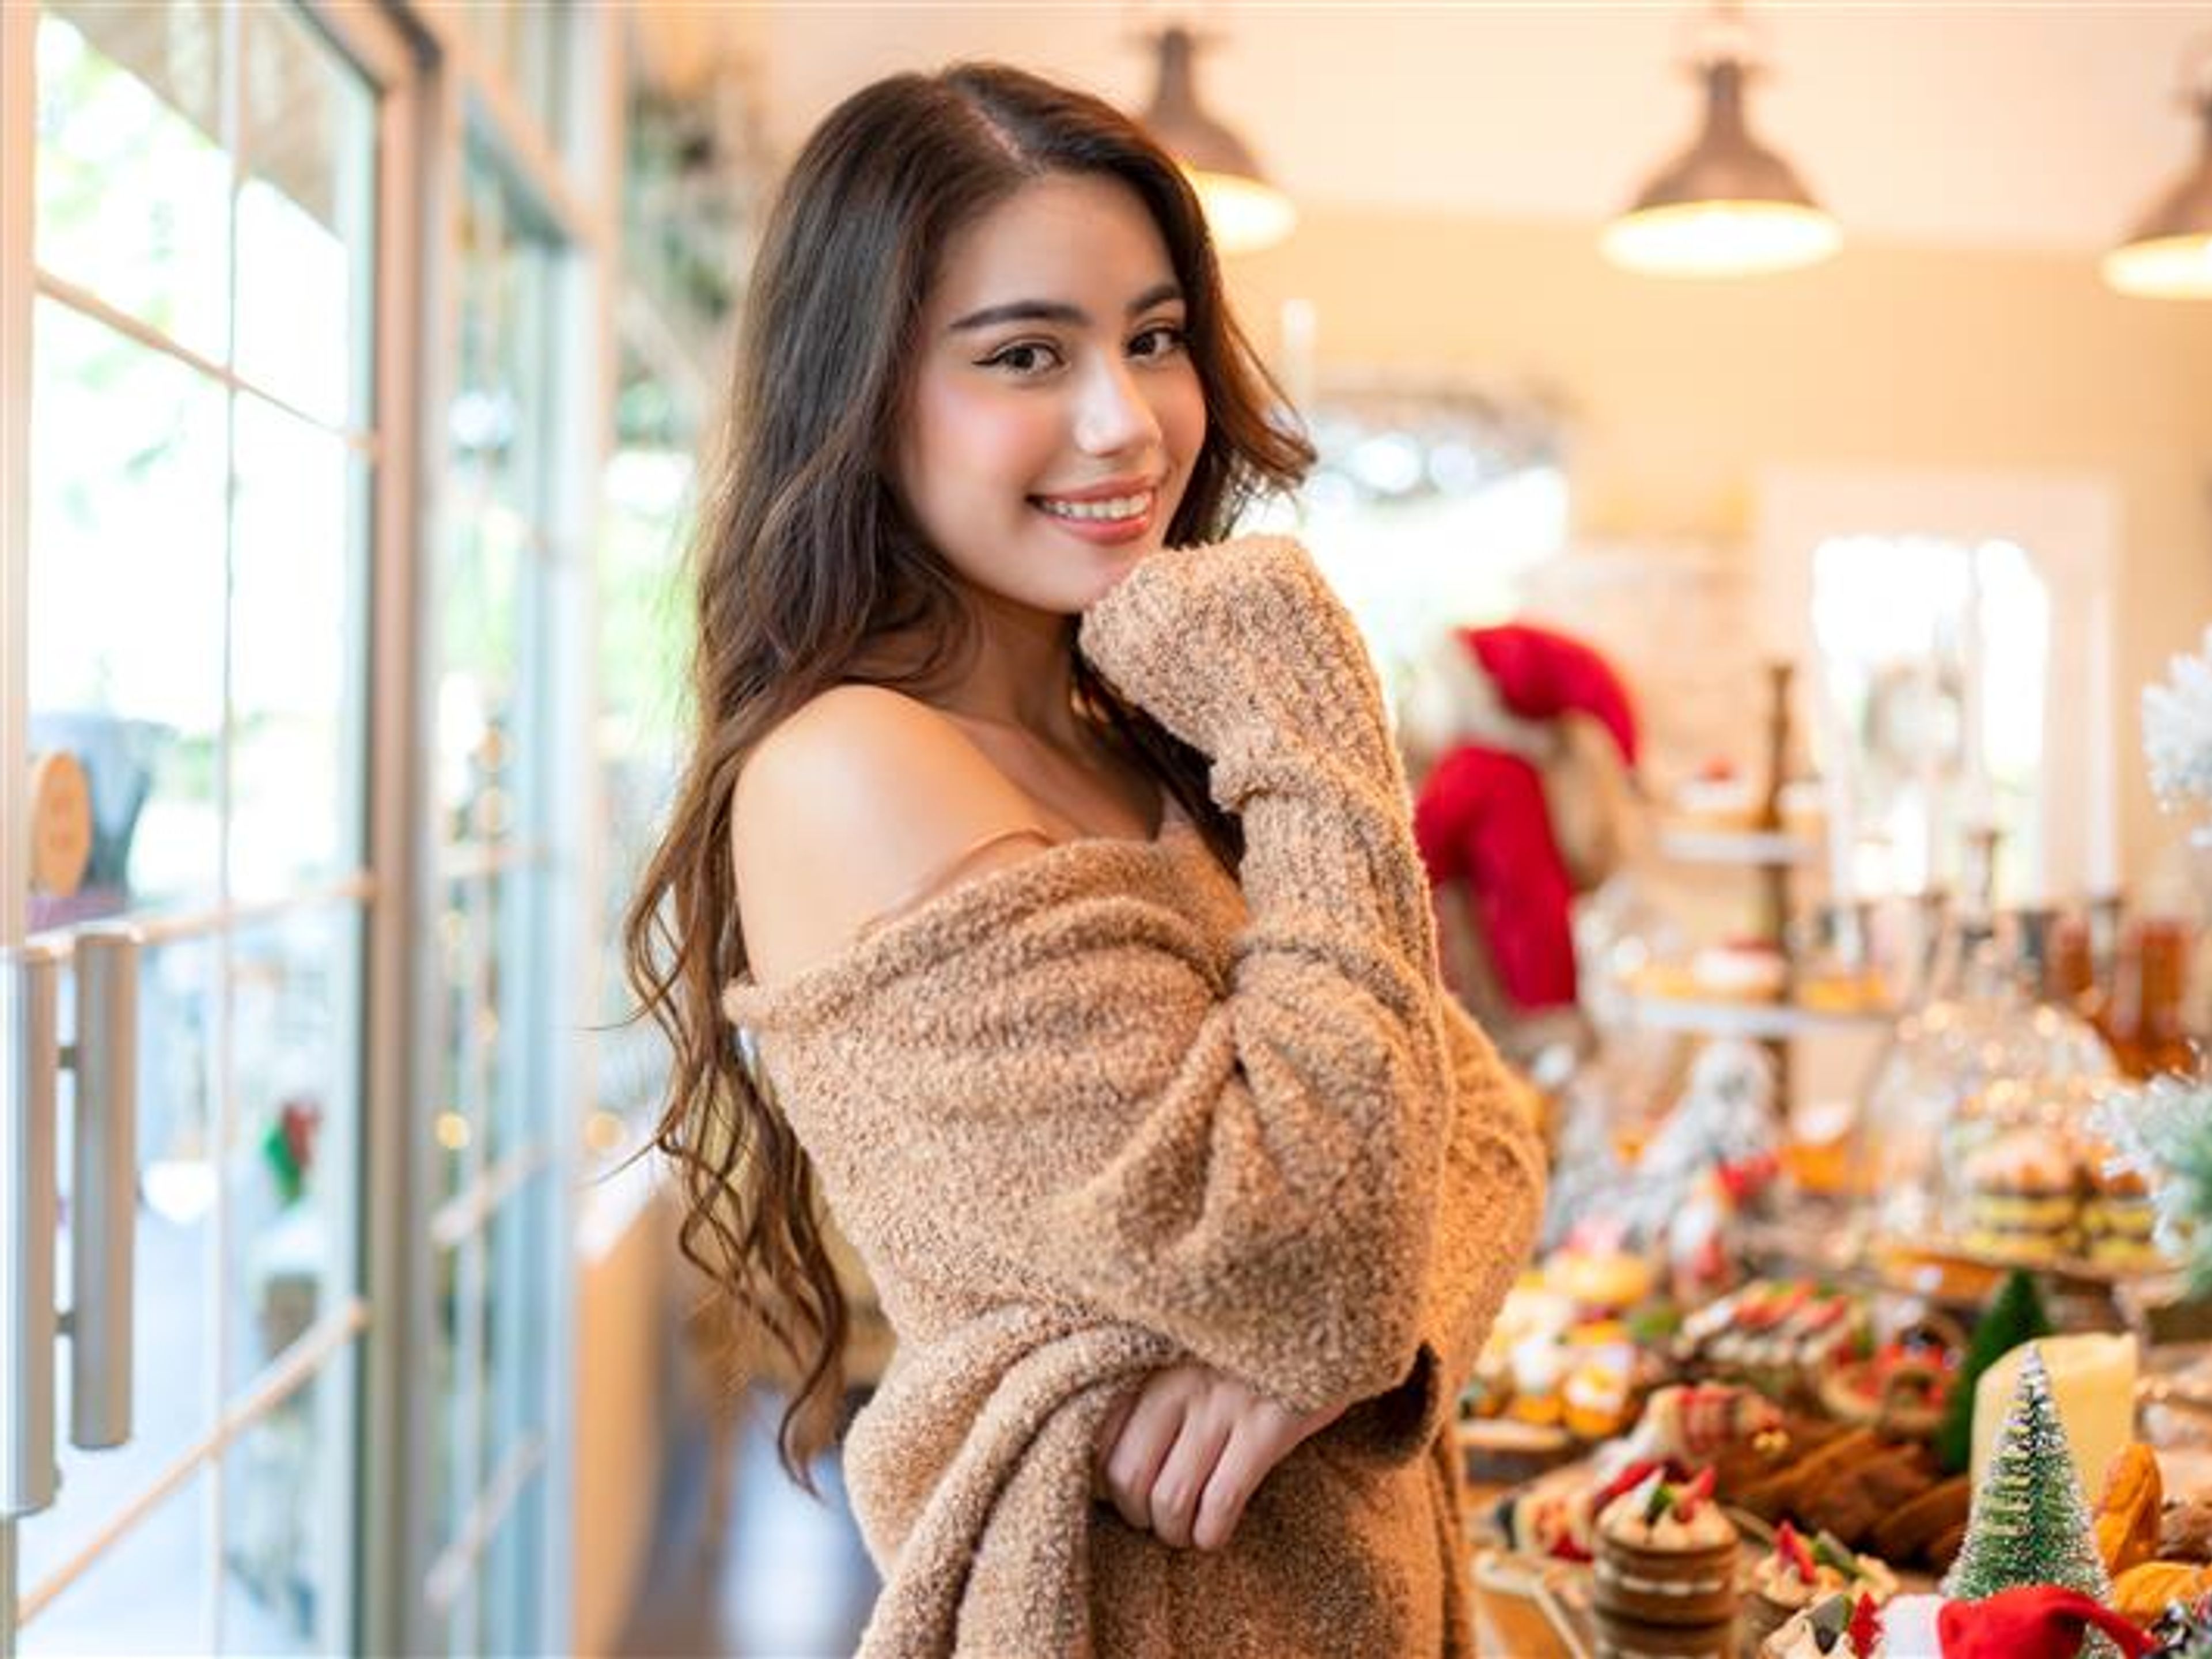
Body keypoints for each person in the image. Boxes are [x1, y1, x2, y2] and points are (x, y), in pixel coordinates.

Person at [624, 62, 1544, 1657]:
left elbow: (1481, 1130)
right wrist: (1313, 711)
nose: (1126, 420)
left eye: (1155, 337)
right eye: (1025, 355)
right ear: (863, 392)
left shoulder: (1135, 737)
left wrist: (1332, 1346)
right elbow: (1323, 1230)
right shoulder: (852, 768)